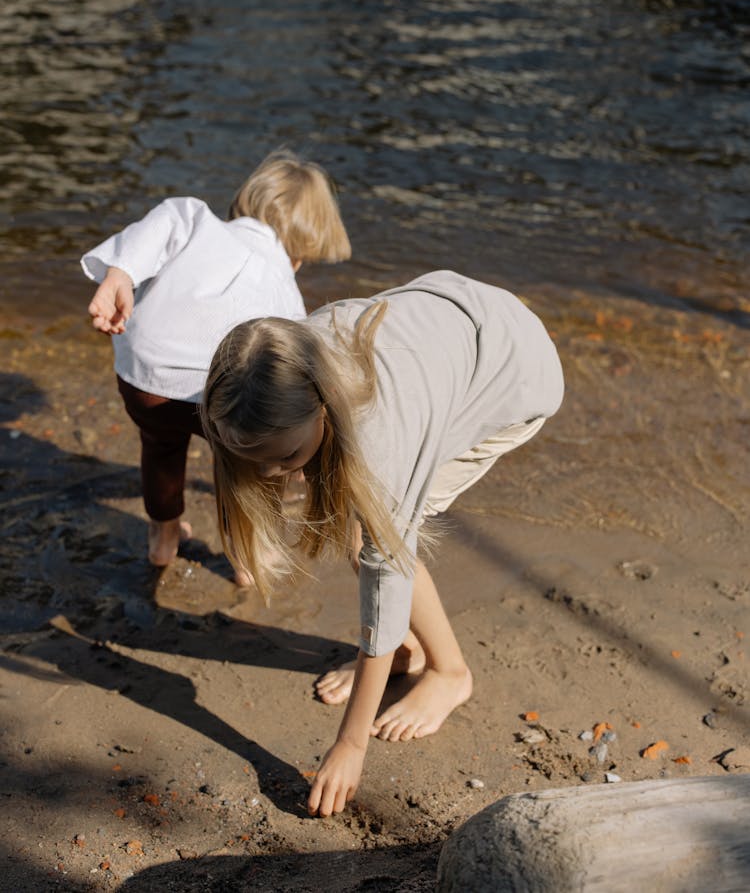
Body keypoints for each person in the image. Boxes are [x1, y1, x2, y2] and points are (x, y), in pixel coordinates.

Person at [200, 270, 564, 816]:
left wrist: (351, 743)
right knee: (359, 529)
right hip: (452, 323)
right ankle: (400, 651)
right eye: (257, 458)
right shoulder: (262, 376)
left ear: (324, 409)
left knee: (373, 538)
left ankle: (449, 672)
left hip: (510, 373)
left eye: (289, 458)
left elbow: (385, 567)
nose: (274, 475)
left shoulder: (380, 439)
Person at [80, 150, 351, 571]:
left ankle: (163, 538)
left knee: (161, 447)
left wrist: (120, 275)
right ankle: (249, 556)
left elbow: (164, 221)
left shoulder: (198, 221)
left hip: (143, 374)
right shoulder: (281, 281)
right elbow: (290, 360)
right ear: (303, 245)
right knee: (249, 469)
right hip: (219, 390)